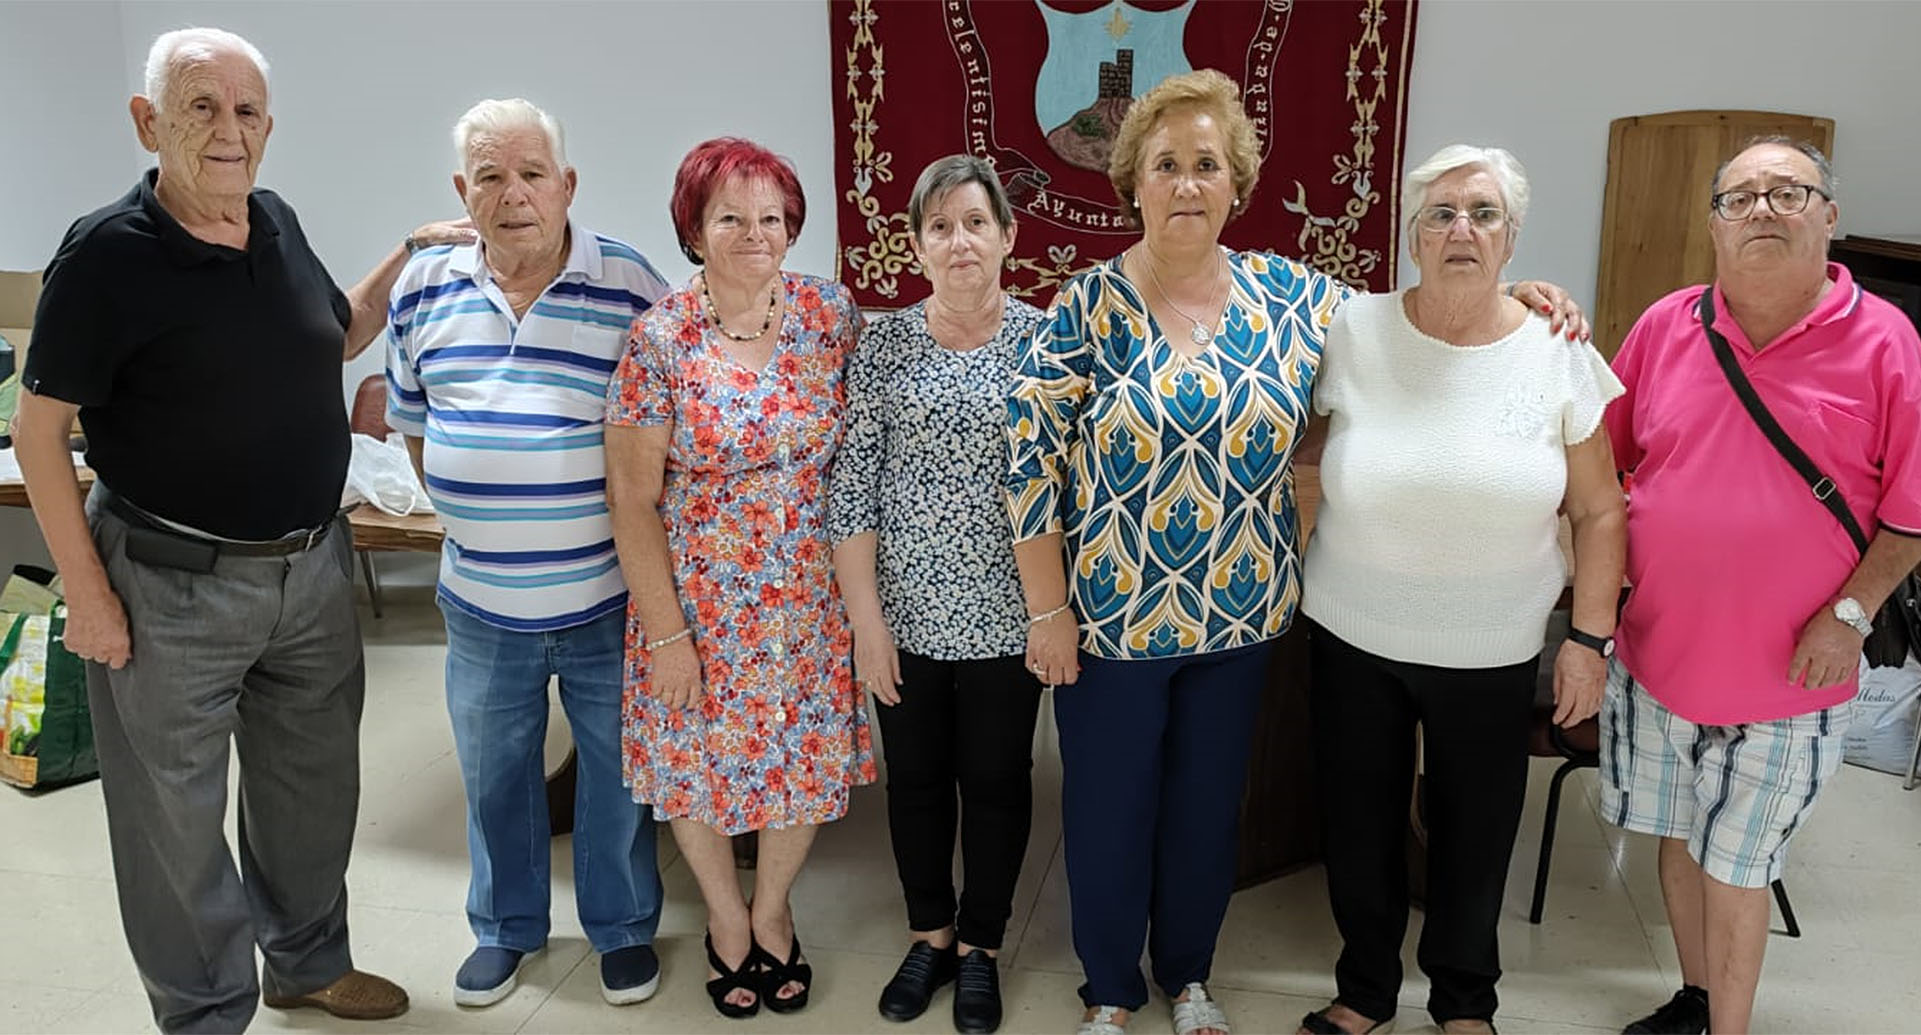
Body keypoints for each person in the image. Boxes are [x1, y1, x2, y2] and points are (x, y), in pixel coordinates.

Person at [1005, 71, 1587, 1035]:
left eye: (1206, 165)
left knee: (1204, 817)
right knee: (1108, 815)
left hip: (1243, 617)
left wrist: (1511, 294)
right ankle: (1108, 988)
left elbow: (1420, 326)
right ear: (1133, 185)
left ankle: (1189, 977)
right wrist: (1046, 611)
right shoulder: (1086, 307)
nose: (1186, 184)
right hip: (1107, 620)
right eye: (1165, 165)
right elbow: (1027, 471)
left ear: (1235, 184)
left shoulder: (1296, 299)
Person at [10, 27, 465, 1033]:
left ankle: (304, 964)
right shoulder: (106, 254)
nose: (230, 131)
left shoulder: (271, 219)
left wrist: (409, 256)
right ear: (148, 123)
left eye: (247, 111)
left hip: (308, 572)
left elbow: (332, 334)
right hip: (168, 581)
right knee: (172, 823)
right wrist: (86, 594)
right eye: (202, 107)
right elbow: (37, 432)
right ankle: (208, 1014)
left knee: (310, 796)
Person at [1601, 138, 1921, 1035]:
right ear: (1713, 224)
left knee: (1739, 863)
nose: (1762, 209)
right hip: (1660, 652)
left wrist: (1850, 614)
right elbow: (1608, 467)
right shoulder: (1665, 324)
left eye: (1788, 192)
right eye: (1741, 196)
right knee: (1678, 839)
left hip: (1793, 671)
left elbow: (1917, 513)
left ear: (1829, 217)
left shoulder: (1885, 341)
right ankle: (1695, 999)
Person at [1293, 145, 1626, 1035]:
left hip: (1492, 643)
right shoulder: (1351, 329)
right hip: (1351, 631)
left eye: (1483, 214)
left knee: (1475, 837)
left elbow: (1600, 512)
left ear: (1513, 237)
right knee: (1357, 825)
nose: (1461, 230)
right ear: (1410, 237)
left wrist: (1589, 643)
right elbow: (1290, 449)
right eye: (1440, 213)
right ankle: (1363, 989)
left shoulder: (1556, 349)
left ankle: (1464, 1001)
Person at [381, 98, 669, 1009]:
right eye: (491, 177)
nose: (515, 195)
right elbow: (416, 433)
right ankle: (504, 928)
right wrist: (485, 509)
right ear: (462, 193)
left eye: (532, 173)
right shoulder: (423, 287)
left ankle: (621, 929)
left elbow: (675, 415)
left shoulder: (629, 282)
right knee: (494, 775)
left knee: (619, 775)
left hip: (606, 595)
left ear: (567, 184)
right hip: (479, 603)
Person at [605, 136, 873, 1019]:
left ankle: (772, 910)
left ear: (792, 227)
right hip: (698, 608)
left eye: (771, 217)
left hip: (806, 604)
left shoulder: (832, 317)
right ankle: (724, 919)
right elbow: (633, 499)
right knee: (695, 770)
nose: (754, 233)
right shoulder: (657, 340)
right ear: (694, 229)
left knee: (802, 764)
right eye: (731, 217)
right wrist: (670, 634)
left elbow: (867, 453)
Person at [829, 154, 1047, 1035]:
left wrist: (1052, 613)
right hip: (906, 615)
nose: (960, 241)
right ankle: (930, 932)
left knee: (996, 779)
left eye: (976, 223)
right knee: (916, 782)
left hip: (1010, 615)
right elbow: (852, 488)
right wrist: (865, 625)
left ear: (1007, 237)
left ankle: (983, 945)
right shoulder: (882, 344)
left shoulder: (1043, 340)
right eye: (940, 226)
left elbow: (1063, 483)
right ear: (916, 245)